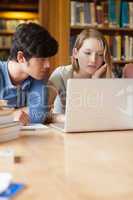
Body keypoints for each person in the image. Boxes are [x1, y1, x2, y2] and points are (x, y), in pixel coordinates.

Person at [0, 22, 58, 125]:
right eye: (41, 59)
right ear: (21, 57)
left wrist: (6, 114)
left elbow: (39, 115)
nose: (48, 65)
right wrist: (13, 115)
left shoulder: (36, 76)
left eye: (48, 58)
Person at [48, 28, 113, 115]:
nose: (93, 60)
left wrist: (96, 84)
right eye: (87, 53)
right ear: (75, 53)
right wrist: (61, 118)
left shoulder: (107, 75)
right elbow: (41, 112)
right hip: (62, 127)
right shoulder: (61, 75)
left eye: (100, 55)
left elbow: (109, 113)